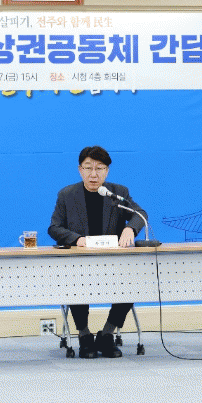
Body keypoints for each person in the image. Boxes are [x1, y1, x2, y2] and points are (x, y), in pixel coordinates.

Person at [48, 146, 148, 359]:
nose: (93, 174)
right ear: (80, 170)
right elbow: (54, 228)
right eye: (88, 168)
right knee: (74, 282)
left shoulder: (118, 192)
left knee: (132, 283)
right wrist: (77, 239)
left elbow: (139, 214)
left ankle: (107, 334)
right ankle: (84, 335)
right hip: (79, 265)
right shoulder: (67, 195)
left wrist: (130, 228)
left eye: (99, 168)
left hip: (114, 265)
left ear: (107, 171)